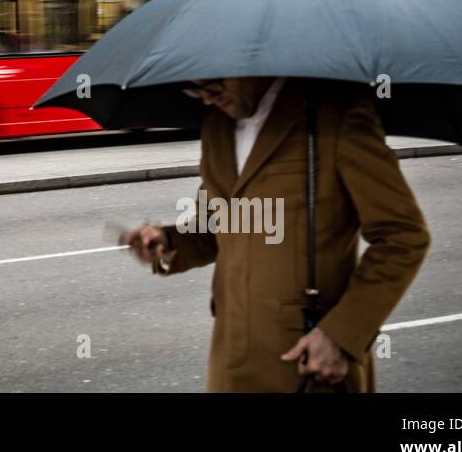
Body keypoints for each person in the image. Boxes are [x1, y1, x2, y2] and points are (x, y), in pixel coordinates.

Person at [124, 77, 430, 392]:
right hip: (230, 363)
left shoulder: (335, 115)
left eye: (214, 85)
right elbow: (222, 225)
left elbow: (403, 237)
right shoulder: (216, 127)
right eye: (194, 90)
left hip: (307, 361)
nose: (206, 98)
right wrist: (169, 240)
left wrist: (341, 335)